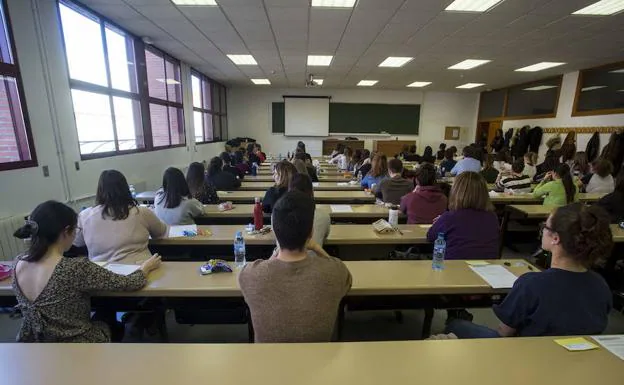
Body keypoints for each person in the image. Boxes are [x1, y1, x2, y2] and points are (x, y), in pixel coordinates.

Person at [446, 203, 613, 338]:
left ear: (555, 238)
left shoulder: (532, 284)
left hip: (525, 360)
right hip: (577, 362)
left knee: (456, 325)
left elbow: (504, 333)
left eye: (545, 227)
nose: (542, 231)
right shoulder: (601, 285)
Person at [13, 200, 162, 342]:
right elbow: (129, 283)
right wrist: (145, 268)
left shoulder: (18, 263)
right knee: (108, 315)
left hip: (34, 342)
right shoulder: (74, 268)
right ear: (66, 231)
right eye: (75, 230)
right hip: (76, 343)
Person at [239, 191, 352, 343]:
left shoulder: (250, 275)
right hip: (320, 361)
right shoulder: (336, 271)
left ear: (275, 231)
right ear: (311, 232)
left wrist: (277, 252)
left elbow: (267, 267)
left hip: (267, 363)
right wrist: (318, 248)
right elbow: (346, 280)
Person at [74, 170, 167, 263]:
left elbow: (77, 242)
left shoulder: (84, 216)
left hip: (102, 273)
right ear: (125, 189)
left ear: (100, 190)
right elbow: (160, 233)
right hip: (142, 268)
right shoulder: (141, 212)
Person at [426, 172, 499, 260]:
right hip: (488, 269)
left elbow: (431, 237)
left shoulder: (449, 217)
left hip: (453, 269)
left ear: (456, 192)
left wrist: (440, 222)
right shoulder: (492, 217)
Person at [289, 174, 331, 246]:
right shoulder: (323, 216)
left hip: (284, 256)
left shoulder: (278, 215)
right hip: (315, 256)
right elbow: (325, 235)